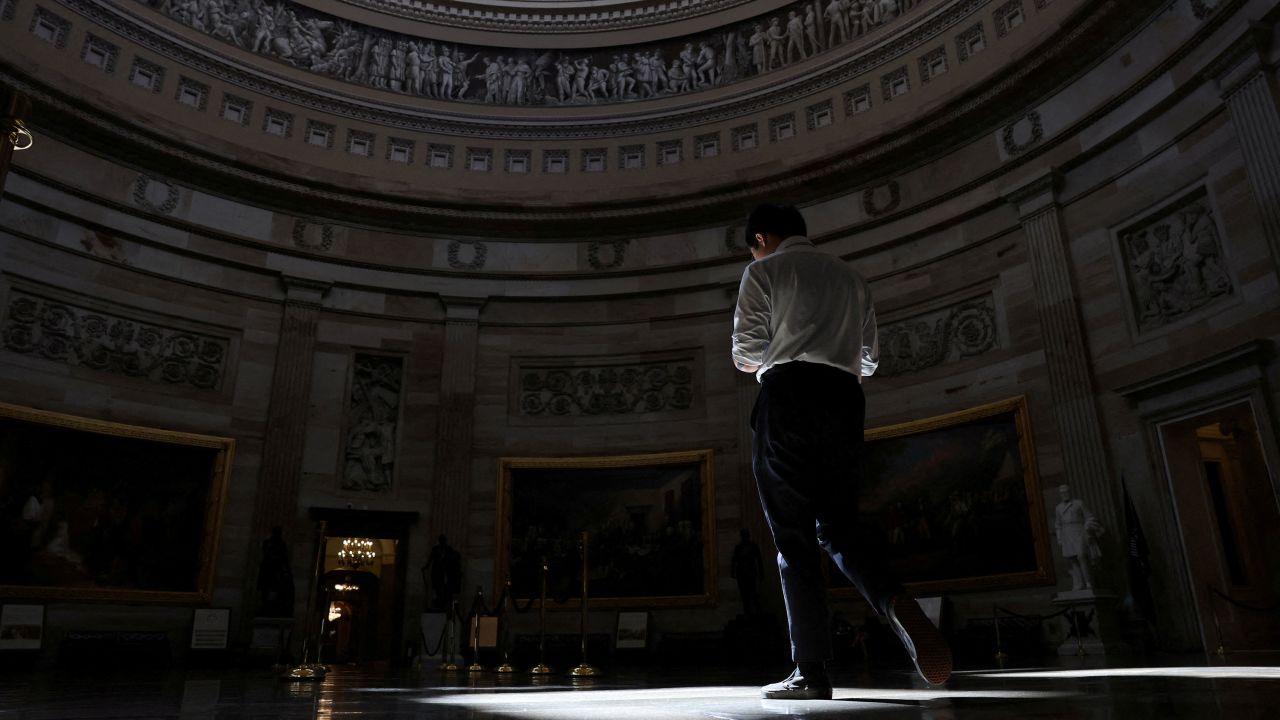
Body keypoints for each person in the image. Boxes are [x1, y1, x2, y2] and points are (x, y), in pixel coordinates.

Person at [731, 204, 952, 699]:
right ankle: (892, 599)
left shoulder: (762, 271)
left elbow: (744, 355)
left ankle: (810, 670)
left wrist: (781, 352)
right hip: (844, 400)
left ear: (761, 239)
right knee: (839, 524)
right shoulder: (852, 278)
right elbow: (870, 362)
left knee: (793, 536)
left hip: (787, 397)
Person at [1055, 484, 1103, 591]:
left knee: (1081, 556)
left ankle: (1088, 582)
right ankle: (1079, 583)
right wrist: (1059, 538)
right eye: (1062, 492)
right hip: (1066, 533)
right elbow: (1058, 524)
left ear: (1070, 492)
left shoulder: (1078, 503)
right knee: (1072, 559)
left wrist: (1088, 527)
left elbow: (1089, 517)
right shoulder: (1058, 508)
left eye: (1066, 492)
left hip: (1079, 531)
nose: (1064, 494)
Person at [730, 528, 765, 616]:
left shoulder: (749, 546)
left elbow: (759, 560)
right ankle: (751, 613)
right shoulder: (742, 547)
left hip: (747, 573)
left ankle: (754, 612)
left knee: (750, 594)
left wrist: (761, 573)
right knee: (747, 595)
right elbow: (734, 560)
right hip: (744, 573)